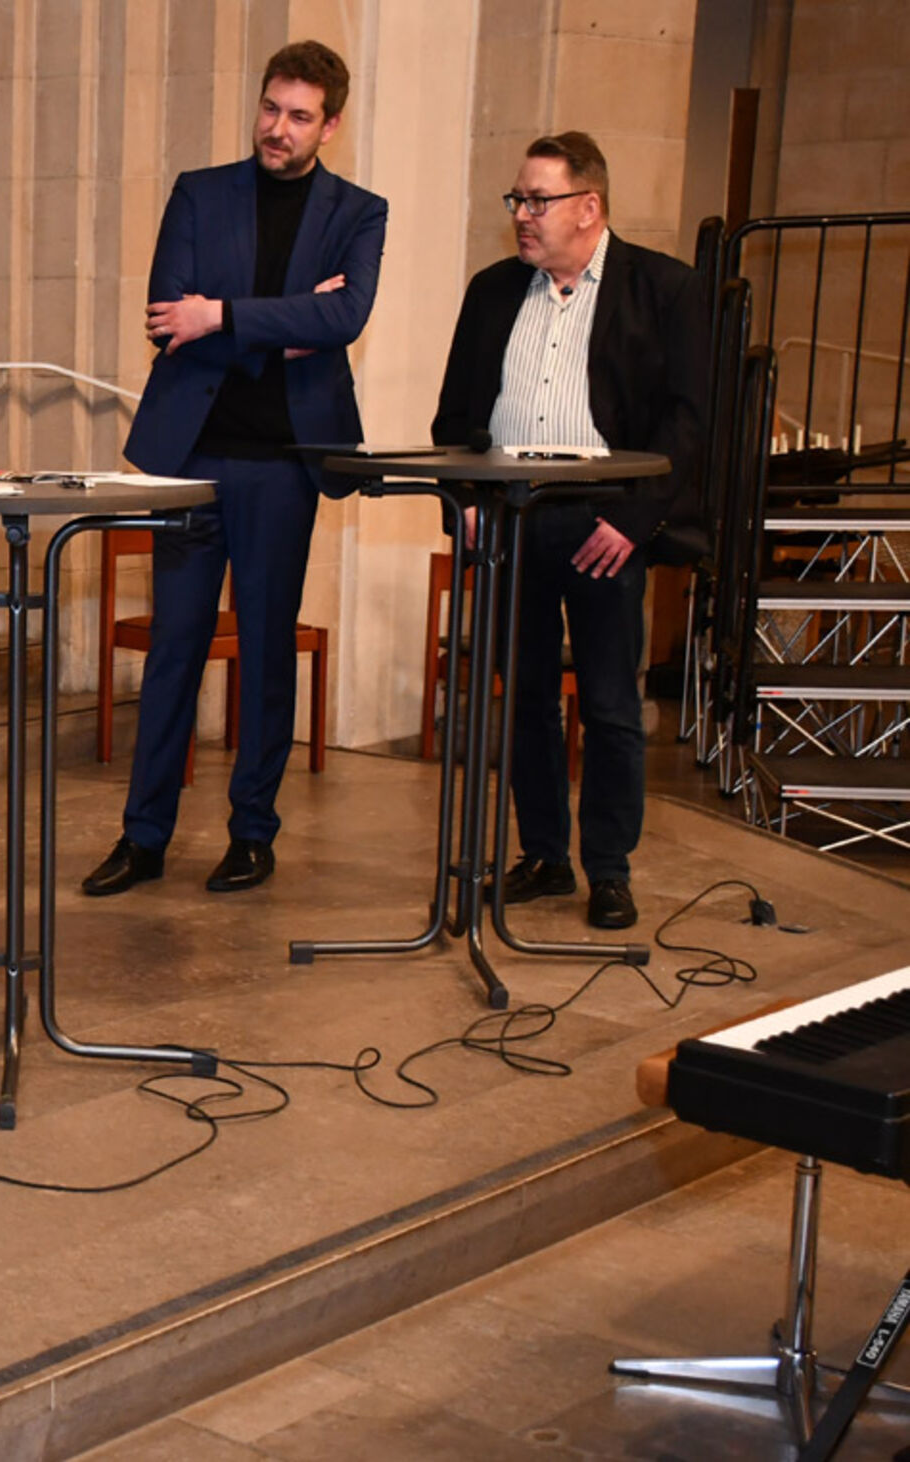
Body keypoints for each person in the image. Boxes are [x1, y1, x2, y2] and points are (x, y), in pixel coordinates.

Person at [83, 40, 386, 901]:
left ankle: (252, 833)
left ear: (330, 125)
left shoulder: (359, 212)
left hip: (284, 465)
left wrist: (219, 315)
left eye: (299, 116)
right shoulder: (199, 192)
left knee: (265, 648)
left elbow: (346, 316)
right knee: (174, 649)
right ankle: (144, 837)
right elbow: (165, 317)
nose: (277, 128)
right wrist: (284, 325)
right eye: (270, 108)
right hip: (192, 457)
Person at [432, 132, 707, 931]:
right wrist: (467, 499)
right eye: (517, 199)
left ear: (589, 207)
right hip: (511, 521)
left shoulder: (663, 288)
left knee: (612, 707)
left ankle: (609, 871)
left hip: (604, 527)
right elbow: (454, 417)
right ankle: (545, 856)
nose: (522, 214)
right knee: (524, 702)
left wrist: (633, 520)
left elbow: (690, 420)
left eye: (537, 200)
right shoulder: (493, 291)